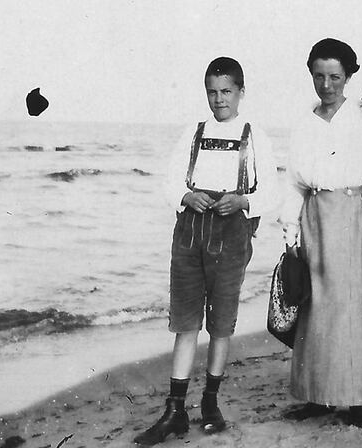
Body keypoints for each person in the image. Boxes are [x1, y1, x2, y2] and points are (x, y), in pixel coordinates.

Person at [133, 57, 279, 445]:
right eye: (212, 93)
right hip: (190, 232)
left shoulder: (254, 135)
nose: (219, 100)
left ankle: (210, 401)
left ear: (240, 92)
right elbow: (168, 181)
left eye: (226, 92)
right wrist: (185, 194)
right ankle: (175, 409)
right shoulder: (194, 133)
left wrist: (243, 202)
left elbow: (272, 192)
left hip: (231, 233)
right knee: (185, 320)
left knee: (221, 321)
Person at [279, 38, 362, 427]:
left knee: (356, 307)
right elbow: (293, 182)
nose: (327, 85)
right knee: (316, 305)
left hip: (356, 215)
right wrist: (290, 235)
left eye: (335, 76)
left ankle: (360, 398)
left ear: (348, 76)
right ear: (311, 74)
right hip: (314, 216)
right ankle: (319, 396)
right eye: (319, 76)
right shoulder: (304, 121)